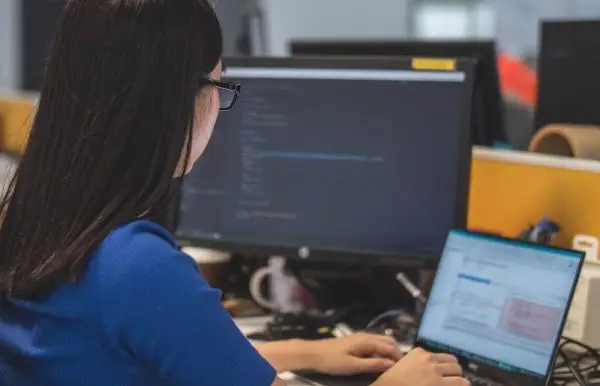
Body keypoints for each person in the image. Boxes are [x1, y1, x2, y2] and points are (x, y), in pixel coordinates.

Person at [0, 1, 469, 385]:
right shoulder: (138, 267)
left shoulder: (31, 223)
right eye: (219, 86)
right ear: (177, 99)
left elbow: (164, 352)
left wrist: (303, 352)